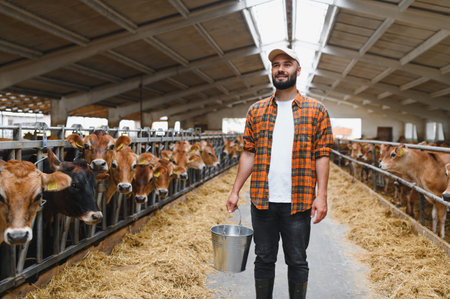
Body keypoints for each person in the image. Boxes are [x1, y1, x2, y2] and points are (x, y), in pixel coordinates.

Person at [226, 47, 333, 299]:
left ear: (298, 69)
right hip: (262, 200)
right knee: (263, 259)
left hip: (299, 201)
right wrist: (235, 191)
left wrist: (322, 195)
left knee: (297, 261)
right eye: (276, 65)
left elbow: (322, 155)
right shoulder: (257, 110)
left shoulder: (316, 110)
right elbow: (248, 154)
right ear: (271, 71)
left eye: (287, 64)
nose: (281, 69)